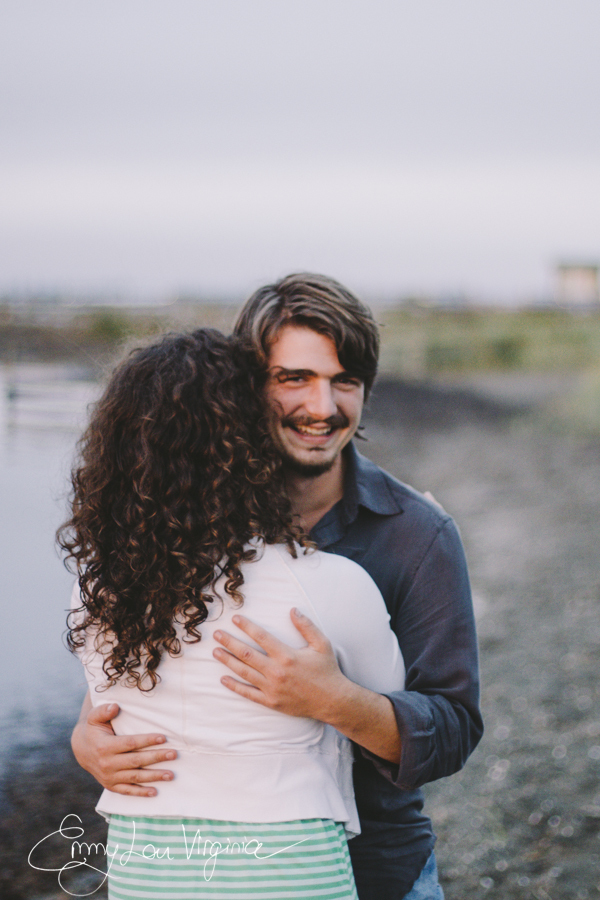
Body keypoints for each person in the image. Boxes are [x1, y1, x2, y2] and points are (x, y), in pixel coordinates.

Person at [71, 275, 483, 900]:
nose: (323, 406)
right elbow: (138, 660)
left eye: (344, 380)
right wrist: (87, 737)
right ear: (244, 389)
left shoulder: (417, 534)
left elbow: (453, 727)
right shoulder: (179, 518)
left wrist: (335, 701)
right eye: (294, 378)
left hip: (380, 871)